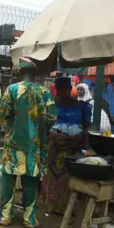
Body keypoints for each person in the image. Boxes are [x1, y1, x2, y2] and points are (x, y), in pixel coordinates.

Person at [0, 57, 57, 228]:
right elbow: (52, 116)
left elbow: (2, 113)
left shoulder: (12, 89)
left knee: (9, 177)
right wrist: (38, 123)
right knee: (31, 179)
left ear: (22, 72)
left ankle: (5, 216)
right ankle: (29, 219)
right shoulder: (43, 92)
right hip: (34, 143)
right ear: (35, 73)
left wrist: (11, 125)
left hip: (13, 142)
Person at [42, 77, 91, 214]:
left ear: (70, 89)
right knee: (53, 175)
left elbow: (87, 127)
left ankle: (68, 206)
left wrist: (84, 143)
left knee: (69, 176)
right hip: (54, 148)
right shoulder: (52, 107)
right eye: (59, 89)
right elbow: (46, 126)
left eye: (66, 89)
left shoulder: (83, 107)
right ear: (57, 90)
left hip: (73, 148)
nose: (62, 92)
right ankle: (52, 203)